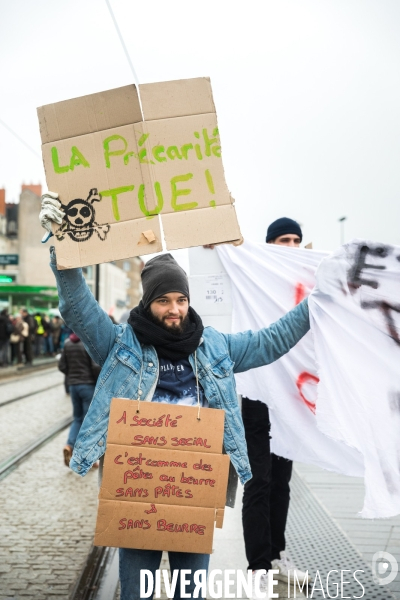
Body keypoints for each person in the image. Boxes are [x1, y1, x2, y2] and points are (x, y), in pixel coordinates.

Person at [40, 196, 310, 600]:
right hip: (136, 492)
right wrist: (64, 245)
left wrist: (315, 305)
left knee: (191, 594)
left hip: (192, 492)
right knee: (137, 593)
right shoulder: (119, 344)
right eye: (164, 300)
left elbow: (268, 342)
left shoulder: (214, 345)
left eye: (181, 300)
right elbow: (78, 307)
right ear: (148, 304)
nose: (175, 309)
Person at [241, 217, 308, 592]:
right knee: (259, 479)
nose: (293, 246)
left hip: (290, 397)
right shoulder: (258, 279)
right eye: (284, 239)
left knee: (282, 480)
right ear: (269, 245)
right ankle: (258, 566)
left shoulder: (303, 284)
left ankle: (277, 555)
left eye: (297, 240)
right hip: (257, 394)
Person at [58, 332, 101, 466]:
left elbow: (62, 366)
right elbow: (95, 367)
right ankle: (87, 457)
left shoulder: (67, 343)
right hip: (87, 386)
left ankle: (69, 445)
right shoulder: (88, 343)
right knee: (89, 422)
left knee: (77, 418)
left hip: (73, 386)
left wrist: (71, 376)